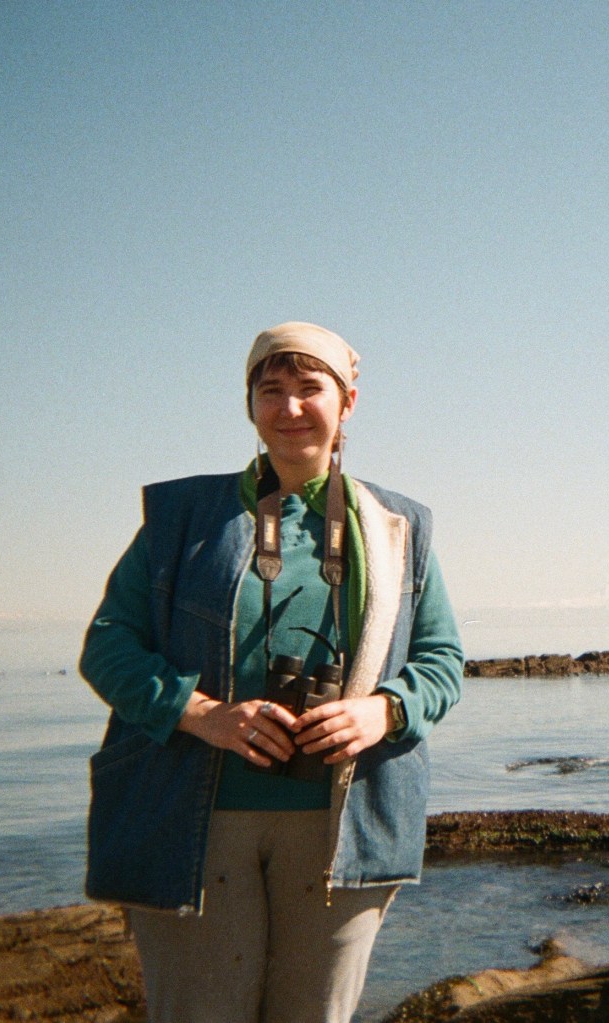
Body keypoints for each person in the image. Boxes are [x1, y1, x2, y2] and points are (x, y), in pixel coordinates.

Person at [79, 321, 463, 1023]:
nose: (289, 408)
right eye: (270, 389)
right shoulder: (181, 517)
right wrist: (202, 714)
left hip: (342, 824)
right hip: (193, 820)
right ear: (249, 403)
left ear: (346, 402)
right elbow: (108, 645)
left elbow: (441, 660)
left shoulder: (398, 525)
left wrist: (381, 710)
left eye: (308, 388)